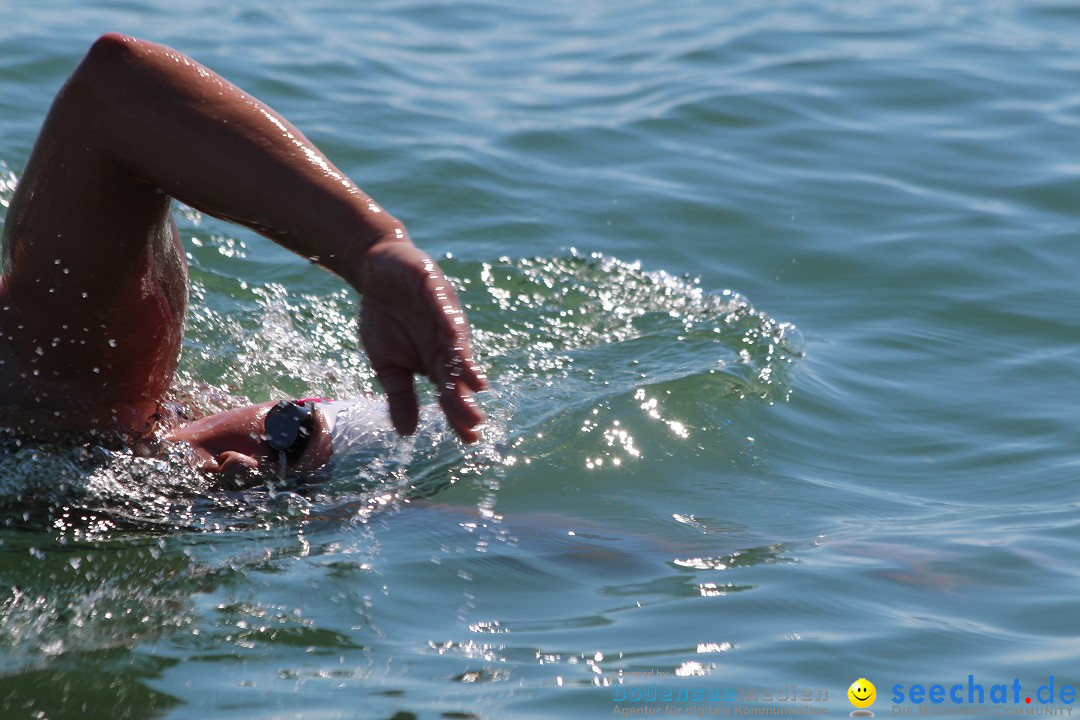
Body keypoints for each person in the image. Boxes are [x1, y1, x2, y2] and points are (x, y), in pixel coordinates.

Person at [0, 33, 486, 475]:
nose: (250, 456)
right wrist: (370, 245)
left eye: (285, 479)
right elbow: (113, 86)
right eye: (289, 429)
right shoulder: (84, 384)